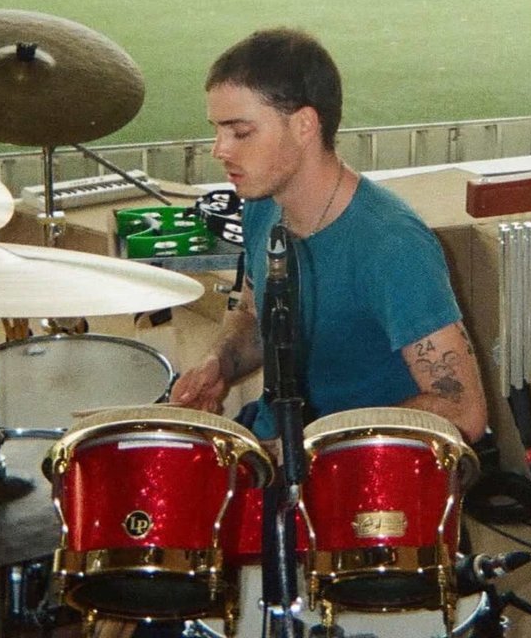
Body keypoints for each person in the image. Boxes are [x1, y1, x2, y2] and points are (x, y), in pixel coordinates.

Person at [171, 28, 487, 445]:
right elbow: (254, 315)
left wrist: (308, 450)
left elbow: (463, 413)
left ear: (304, 125)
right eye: (218, 130)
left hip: (353, 480)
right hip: (272, 443)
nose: (219, 150)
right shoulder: (262, 205)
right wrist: (220, 363)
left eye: (240, 132)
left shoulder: (391, 244)